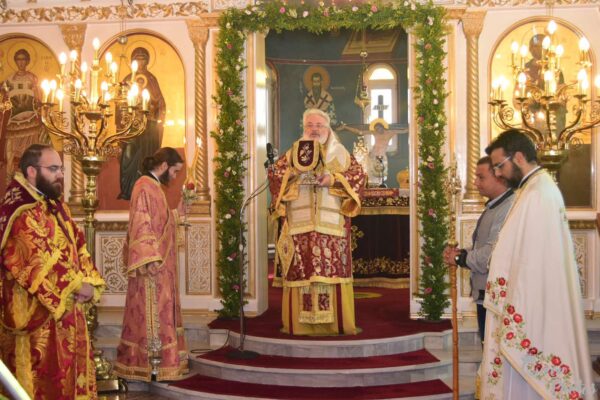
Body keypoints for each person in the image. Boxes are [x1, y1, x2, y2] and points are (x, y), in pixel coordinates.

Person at [480, 129, 594, 399]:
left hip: (533, 306)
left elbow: (533, 263)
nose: (498, 174)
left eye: (499, 165)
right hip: (527, 300)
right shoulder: (533, 189)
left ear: (518, 157)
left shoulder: (538, 193)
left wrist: (514, 303)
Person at [0, 144, 105, 399]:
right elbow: (35, 258)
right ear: (32, 171)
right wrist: (76, 285)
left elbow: (78, 245)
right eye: (54, 168)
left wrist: (89, 281)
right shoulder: (20, 210)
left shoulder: (53, 204)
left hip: (68, 309)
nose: (60, 175)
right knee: (44, 383)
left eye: (61, 169)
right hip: (37, 316)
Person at [268, 108, 366, 336]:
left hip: (331, 226)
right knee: (302, 275)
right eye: (309, 125)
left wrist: (333, 179)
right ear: (304, 128)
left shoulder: (340, 153)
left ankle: (335, 325)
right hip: (299, 225)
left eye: (319, 125)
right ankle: (300, 325)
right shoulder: (293, 153)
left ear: (328, 128)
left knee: (330, 274)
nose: (314, 130)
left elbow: (359, 177)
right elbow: (274, 176)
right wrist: (292, 174)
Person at [115, 147, 189, 381]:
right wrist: (149, 257)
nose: (174, 177)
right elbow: (141, 222)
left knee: (163, 311)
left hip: (161, 264)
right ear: (164, 166)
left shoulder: (154, 187)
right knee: (152, 314)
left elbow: (160, 222)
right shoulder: (144, 186)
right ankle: (150, 365)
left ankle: (162, 363)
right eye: (175, 172)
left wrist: (177, 214)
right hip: (152, 266)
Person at [443, 156, 514, 343]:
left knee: (493, 350)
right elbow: (481, 247)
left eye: (481, 177)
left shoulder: (507, 208)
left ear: (499, 177)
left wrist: (459, 259)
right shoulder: (494, 206)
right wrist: (460, 254)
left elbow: (491, 254)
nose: (475, 182)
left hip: (498, 297)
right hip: (487, 294)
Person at [118, 47, 166, 200]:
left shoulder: (151, 79)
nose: (140, 62)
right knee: (128, 156)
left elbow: (160, 103)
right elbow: (119, 103)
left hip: (148, 128)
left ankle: (147, 191)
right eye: (137, 59)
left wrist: (151, 105)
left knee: (147, 157)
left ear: (147, 61)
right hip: (130, 127)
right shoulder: (127, 79)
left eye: (143, 58)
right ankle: (128, 190)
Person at [1, 49, 47, 179]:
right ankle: (11, 183)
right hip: (13, 122)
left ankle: (31, 182)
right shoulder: (9, 79)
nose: (21, 62)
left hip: (30, 121)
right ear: (15, 61)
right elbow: (4, 100)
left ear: (27, 61)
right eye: (18, 59)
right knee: (11, 153)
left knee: (31, 154)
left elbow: (39, 99)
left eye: (23, 59)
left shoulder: (33, 78)